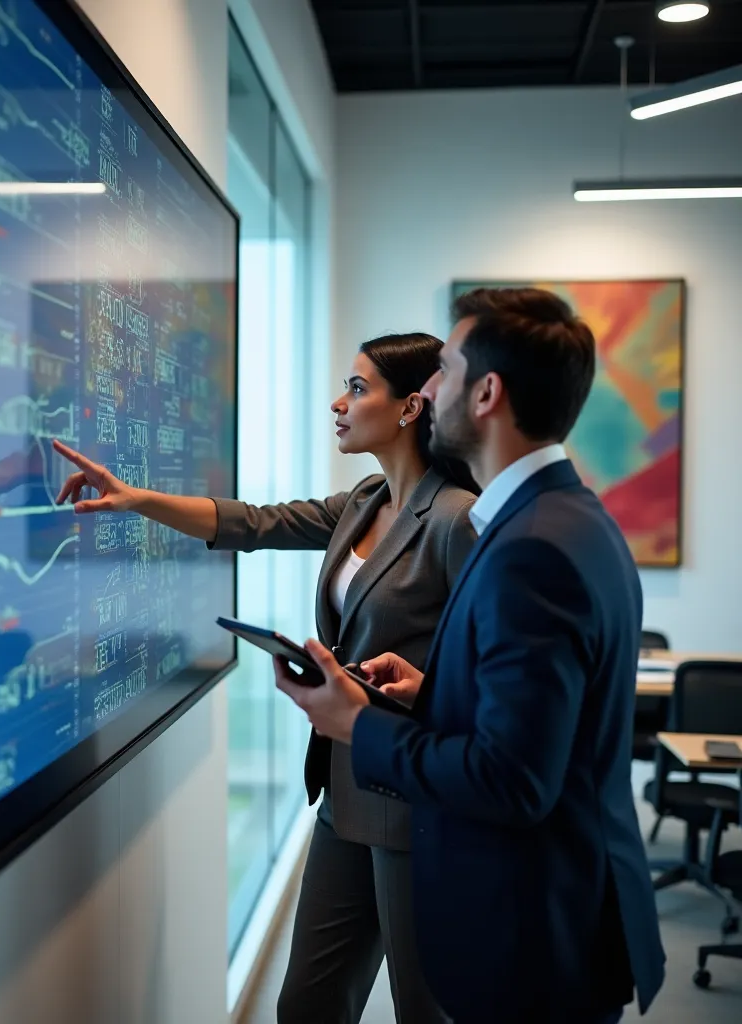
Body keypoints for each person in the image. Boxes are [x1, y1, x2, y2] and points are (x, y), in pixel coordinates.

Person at [53, 333, 479, 1023]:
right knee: (308, 1003)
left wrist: (421, 688)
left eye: (359, 388)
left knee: (427, 1009)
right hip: (344, 788)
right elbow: (251, 523)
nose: (339, 404)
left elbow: (483, 669)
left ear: (409, 407)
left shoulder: (457, 519)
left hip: (415, 800)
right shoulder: (367, 499)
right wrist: (133, 499)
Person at [273, 288, 667, 1024]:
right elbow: (542, 729)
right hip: (555, 910)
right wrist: (430, 693)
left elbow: (513, 781)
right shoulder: (562, 517)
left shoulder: (531, 549)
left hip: (530, 927)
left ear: (486, 393)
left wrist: (358, 724)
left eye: (444, 370)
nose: (428, 390)